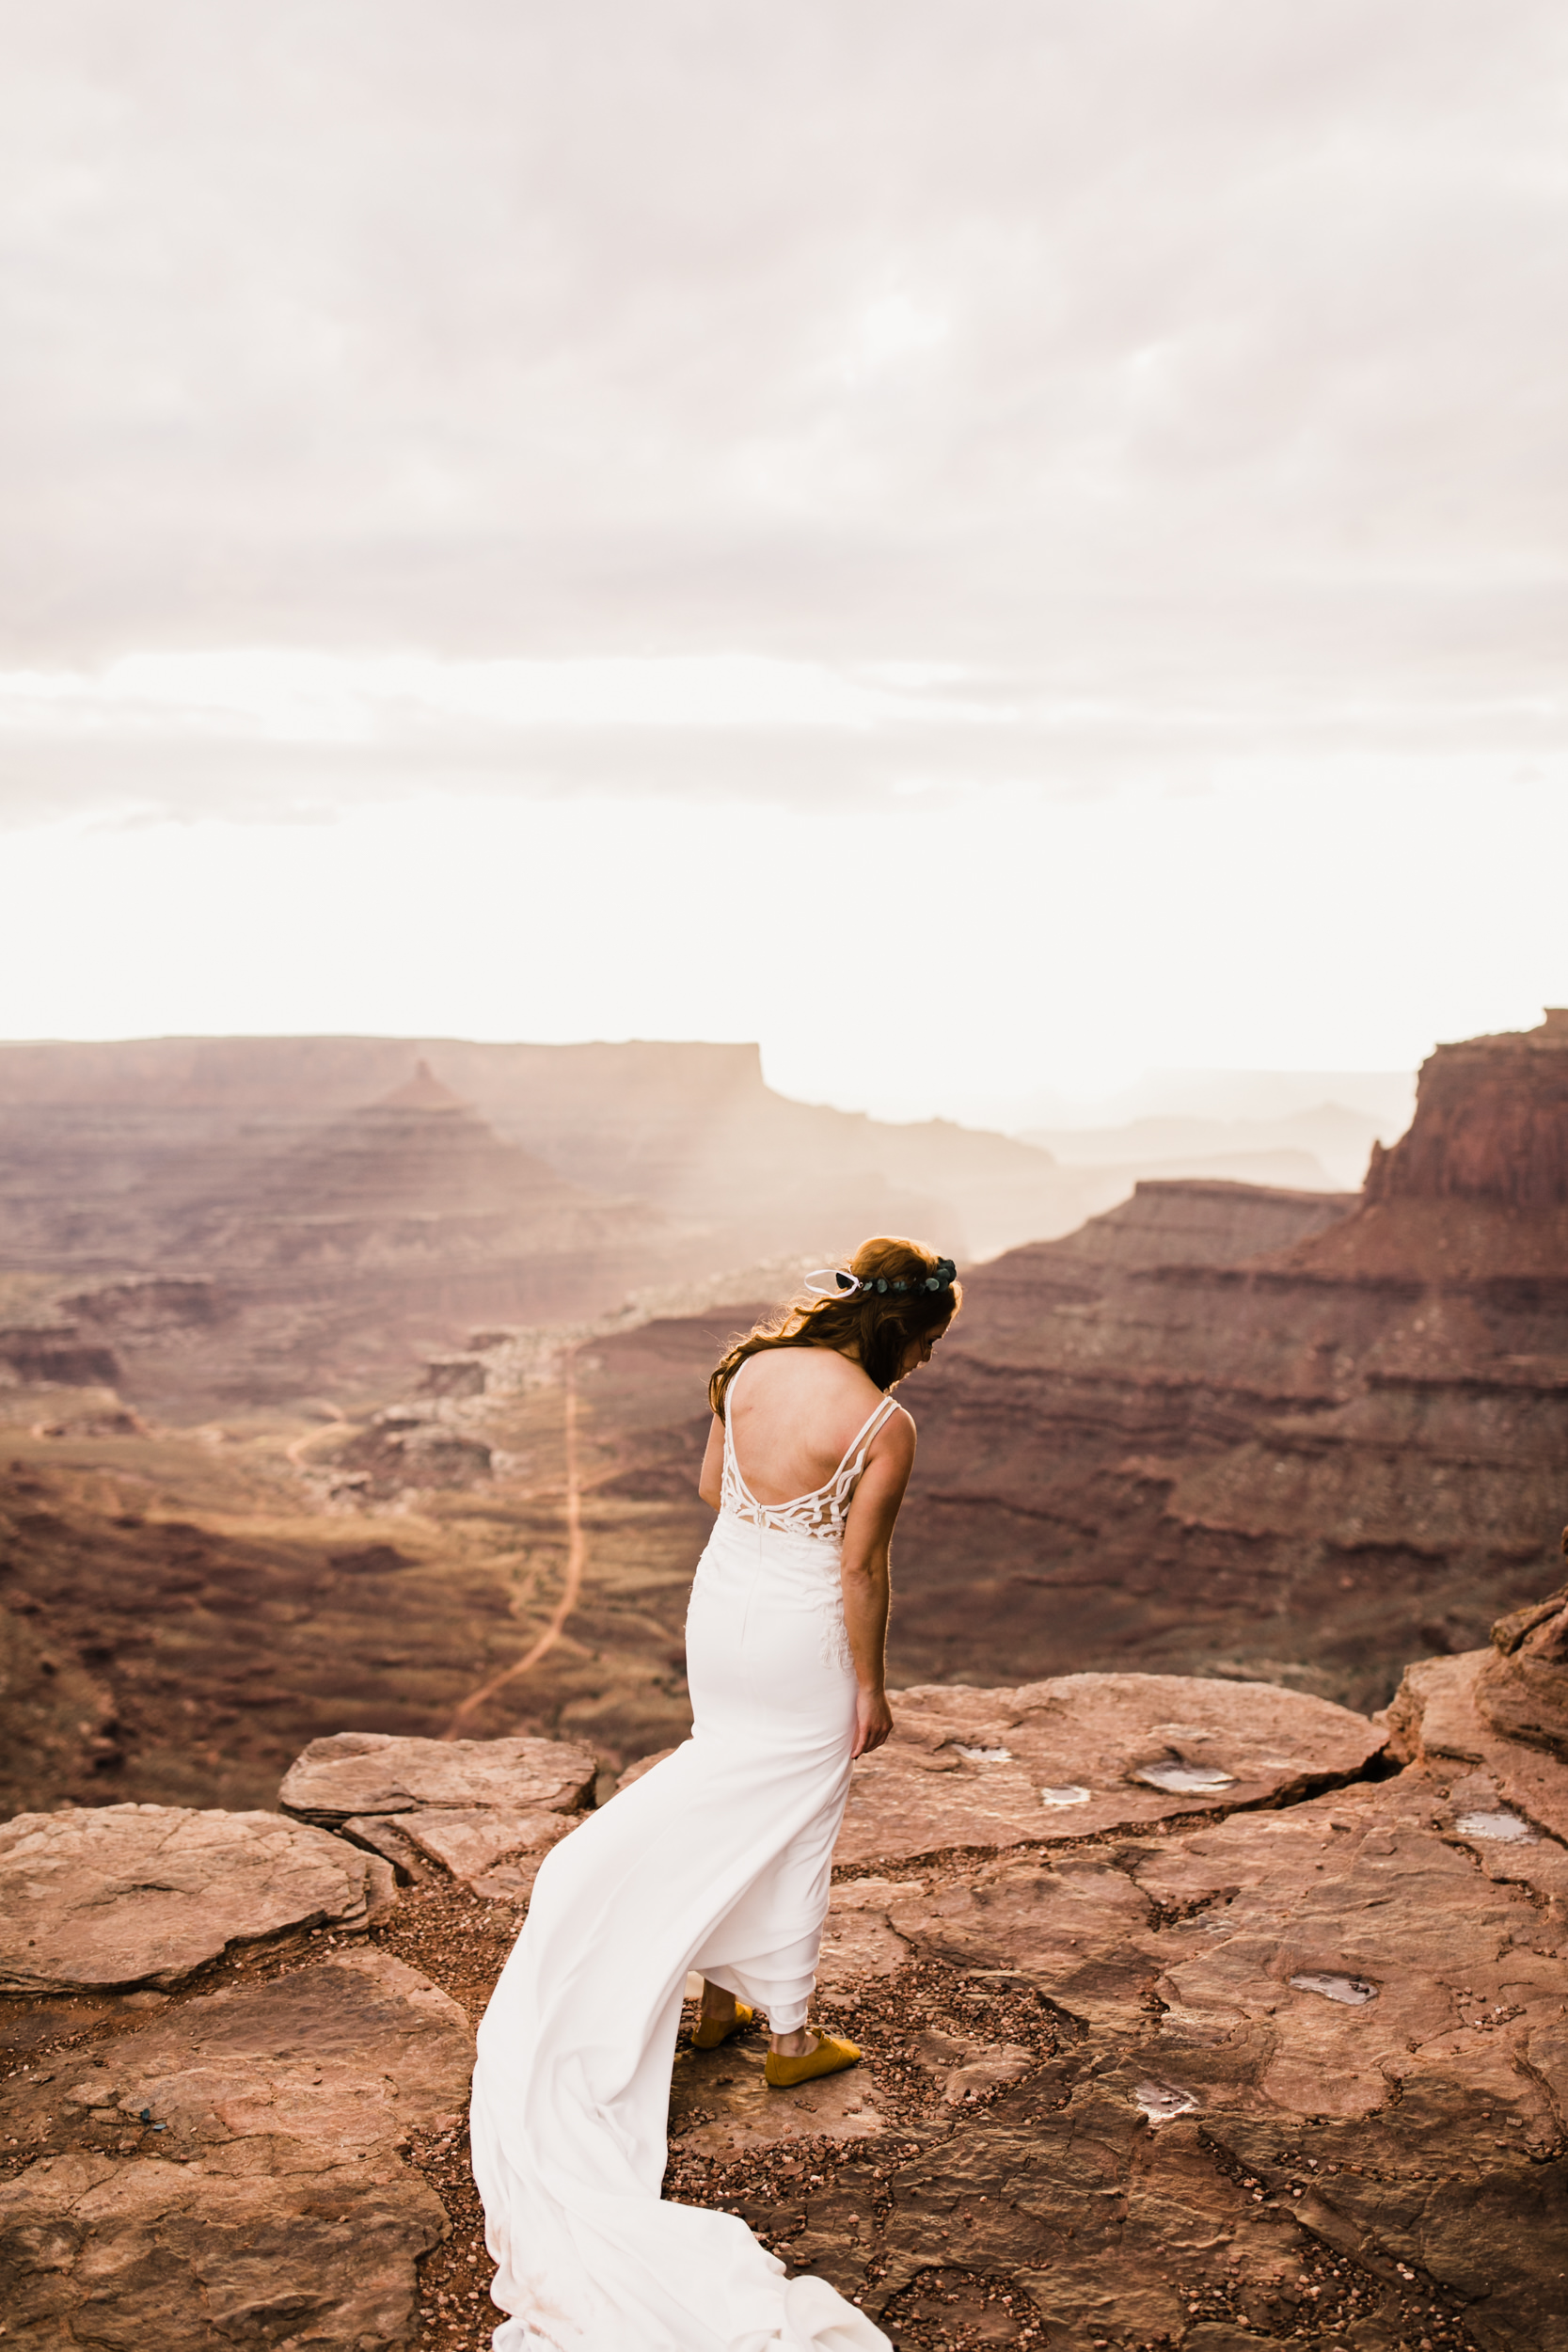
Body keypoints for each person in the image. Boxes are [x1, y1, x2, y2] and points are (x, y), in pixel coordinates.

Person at [469, 1236, 960, 2351]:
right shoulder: (885, 1426)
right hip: (798, 1627)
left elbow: (710, 1487)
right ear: (901, 1331)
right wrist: (871, 1687)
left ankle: (717, 2002)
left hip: (722, 1605)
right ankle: (785, 2034)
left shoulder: (749, 1366)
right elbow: (859, 1569)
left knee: (726, 1771)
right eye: (928, 1340)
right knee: (796, 1812)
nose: (928, 1359)